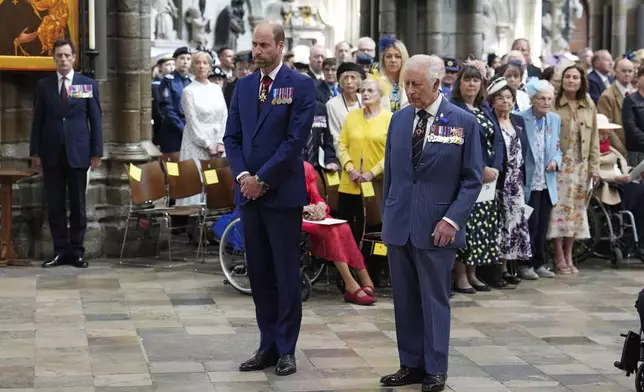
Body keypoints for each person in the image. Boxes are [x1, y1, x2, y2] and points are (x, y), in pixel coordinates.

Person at [380, 54, 482, 392]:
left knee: (435, 300)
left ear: (437, 84)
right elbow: (393, 175)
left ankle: (435, 367)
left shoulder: (463, 122)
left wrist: (452, 220)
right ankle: (410, 364)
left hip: (437, 227)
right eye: (406, 84)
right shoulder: (397, 121)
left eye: (416, 85)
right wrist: (389, 218)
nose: (409, 90)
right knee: (405, 299)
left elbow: (471, 180)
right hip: (400, 224)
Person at [223, 21, 315, 377]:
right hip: (249, 195)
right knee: (259, 273)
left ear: (280, 46)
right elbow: (232, 137)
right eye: (254, 45)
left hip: (281, 194)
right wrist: (245, 176)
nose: (256, 52)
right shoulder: (244, 86)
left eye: (263, 45)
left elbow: (294, 142)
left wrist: (263, 179)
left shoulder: (300, 86)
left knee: (285, 273)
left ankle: (287, 348)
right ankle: (267, 343)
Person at [30, 38, 103, 268]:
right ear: (54, 58)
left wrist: (96, 152)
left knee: (78, 205)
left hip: (78, 152)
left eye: (66, 56)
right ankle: (60, 251)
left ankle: (77, 251)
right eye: (59, 55)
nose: (63, 59)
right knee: (55, 205)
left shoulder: (85, 84)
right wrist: (35, 152)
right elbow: (37, 121)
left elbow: (95, 120)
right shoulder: (45, 85)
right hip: (51, 152)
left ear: (73, 58)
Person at [450, 63, 504, 294]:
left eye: (476, 80)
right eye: (467, 80)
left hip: (488, 181)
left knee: (481, 228)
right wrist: (480, 168)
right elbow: (457, 144)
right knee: (466, 227)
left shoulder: (485, 109)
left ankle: (473, 274)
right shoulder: (453, 109)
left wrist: (496, 167)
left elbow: (498, 140)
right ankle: (460, 276)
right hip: (467, 179)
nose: (472, 84)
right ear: (459, 83)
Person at [549, 63, 600, 275]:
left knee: (576, 211)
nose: (571, 80)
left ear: (581, 82)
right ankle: (558, 253)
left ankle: (570, 253)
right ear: (562, 80)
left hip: (581, 164)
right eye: (568, 77)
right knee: (559, 210)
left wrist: (594, 168)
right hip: (561, 165)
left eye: (575, 77)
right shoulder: (554, 103)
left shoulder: (588, 104)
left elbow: (595, 137)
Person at [301, 161, 376, 305]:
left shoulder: (306, 167)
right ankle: (350, 284)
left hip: (312, 216)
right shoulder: (278, 169)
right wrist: (303, 208)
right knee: (331, 231)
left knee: (344, 227)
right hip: (292, 217)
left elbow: (316, 196)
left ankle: (364, 276)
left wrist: (321, 206)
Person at [487, 77, 533, 287]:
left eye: (508, 97)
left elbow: (523, 150)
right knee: (498, 225)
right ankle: (497, 270)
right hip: (499, 181)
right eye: (500, 98)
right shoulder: (490, 120)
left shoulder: (518, 121)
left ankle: (509, 267)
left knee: (513, 225)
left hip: (516, 180)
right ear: (493, 101)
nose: (505, 101)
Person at [337, 76, 392, 244]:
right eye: (362, 90)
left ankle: (374, 268)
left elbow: (392, 151)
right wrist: (349, 168)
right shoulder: (352, 116)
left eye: (370, 90)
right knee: (348, 228)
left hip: (377, 183)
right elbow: (341, 145)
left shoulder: (389, 118)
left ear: (381, 95)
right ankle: (350, 268)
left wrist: (373, 172)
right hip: (350, 183)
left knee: (375, 228)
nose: (364, 93)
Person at [520, 79, 562, 279]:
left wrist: (555, 160)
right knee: (530, 223)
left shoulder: (554, 120)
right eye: (541, 99)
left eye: (549, 99)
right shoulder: (520, 118)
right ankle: (524, 263)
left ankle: (540, 262)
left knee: (543, 224)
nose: (546, 102)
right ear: (532, 100)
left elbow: (558, 148)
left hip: (547, 179)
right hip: (528, 179)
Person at [178, 51, 227, 205]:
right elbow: (192, 122)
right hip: (196, 142)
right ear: (193, 66)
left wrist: (220, 141)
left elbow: (224, 116)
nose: (201, 66)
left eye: (205, 63)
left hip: (217, 141)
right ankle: (193, 222)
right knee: (199, 180)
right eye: (198, 62)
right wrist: (207, 144)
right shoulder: (188, 92)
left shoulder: (216, 89)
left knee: (215, 181)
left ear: (209, 66)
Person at [594, 114, 644, 248]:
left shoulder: (610, 148)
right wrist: (617, 178)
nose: (605, 137)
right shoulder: (591, 151)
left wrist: (636, 172)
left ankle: (639, 235)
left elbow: (622, 166)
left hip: (622, 179)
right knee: (638, 189)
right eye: (601, 133)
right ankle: (632, 231)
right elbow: (594, 172)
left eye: (606, 133)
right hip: (608, 184)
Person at [597, 58, 636, 156]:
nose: (627, 74)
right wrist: (622, 151)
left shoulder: (634, 92)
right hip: (620, 150)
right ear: (615, 72)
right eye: (624, 71)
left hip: (636, 147)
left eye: (630, 71)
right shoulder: (607, 96)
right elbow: (607, 129)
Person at [158, 46, 192, 154]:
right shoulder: (168, 80)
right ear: (175, 60)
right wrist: (182, 127)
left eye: (188, 59)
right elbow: (167, 108)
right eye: (182, 58)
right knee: (173, 166)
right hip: (173, 130)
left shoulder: (190, 81)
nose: (185, 62)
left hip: (190, 129)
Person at [378, 35, 409, 112]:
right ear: (383, 60)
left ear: (403, 59)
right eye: (388, 56)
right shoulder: (376, 83)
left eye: (398, 56)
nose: (393, 60)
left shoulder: (410, 83)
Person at [622, 63, 644, 167]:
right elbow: (630, 127)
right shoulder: (630, 100)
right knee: (637, 182)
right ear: (638, 78)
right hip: (637, 151)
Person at [152, 54, 175, 147]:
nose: (172, 67)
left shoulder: (174, 83)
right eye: (168, 65)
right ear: (160, 68)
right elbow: (158, 111)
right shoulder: (156, 85)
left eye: (173, 64)